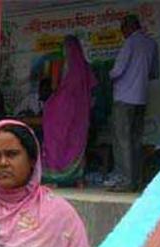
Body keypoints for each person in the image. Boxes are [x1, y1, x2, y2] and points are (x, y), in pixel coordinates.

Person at [106, 14, 159, 192]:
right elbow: (154, 73)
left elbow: (117, 71)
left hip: (124, 98)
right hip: (141, 98)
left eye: (123, 30)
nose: (123, 33)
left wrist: (108, 75)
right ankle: (136, 180)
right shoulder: (151, 43)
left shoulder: (129, 43)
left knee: (122, 140)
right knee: (136, 140)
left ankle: (125, 181)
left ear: (128, 27)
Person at [42, 36, 98, 186]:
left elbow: (54, 86)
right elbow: (92, 88)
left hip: (60, 110)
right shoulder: (84, 67)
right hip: (80, 113)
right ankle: (78, 178)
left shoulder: (60, 63)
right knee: (77, 142)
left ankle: (55, 178)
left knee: (56, 142)